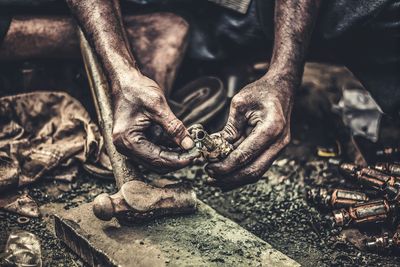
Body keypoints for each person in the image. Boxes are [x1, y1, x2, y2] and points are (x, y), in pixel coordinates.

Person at [0, 0, 399, 191]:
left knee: (377, 12)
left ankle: (178, 45)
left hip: (229, 11)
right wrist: (121, 69)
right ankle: (144, 36)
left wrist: (283, 74)